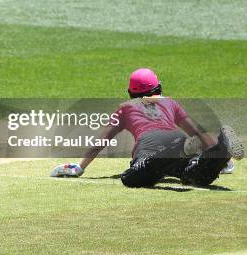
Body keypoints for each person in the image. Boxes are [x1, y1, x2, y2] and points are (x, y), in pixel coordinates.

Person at [51, 68, 244, 187]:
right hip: (178, 140)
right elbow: (196, 131)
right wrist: (219, 158)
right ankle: (218, 153)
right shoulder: (170, 103)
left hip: (151, 147)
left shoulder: (125, 108)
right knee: (193, 176)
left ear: (130, 92)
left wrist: (80, 167)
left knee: (131, 178)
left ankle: (174, 152)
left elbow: (102, 141)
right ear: (158, 88)